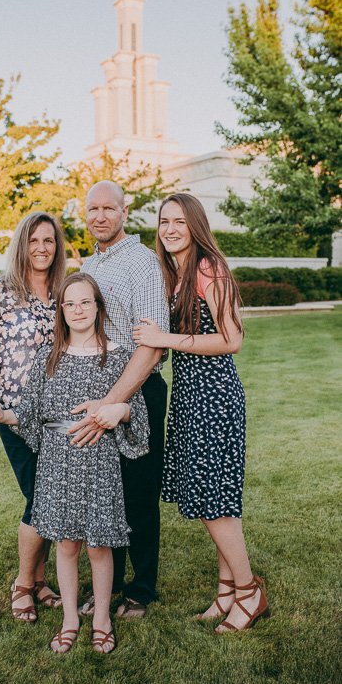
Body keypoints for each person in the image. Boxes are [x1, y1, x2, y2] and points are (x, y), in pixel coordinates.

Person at [0, 273, 150, 653]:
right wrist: (0, 412)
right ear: (61, 310)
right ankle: (71, 617)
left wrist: (119, 409)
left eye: (85, 302)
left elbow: (136, 416)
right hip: (57, 463)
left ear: (97, 307)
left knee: (98, 547)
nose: (77, 309)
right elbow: (28, 415)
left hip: (99, 460)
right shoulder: (48, 357)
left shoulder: (117, 356)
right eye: (69, 303)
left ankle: (103, 618)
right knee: (67, 545)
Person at [132, 193, 269, 633]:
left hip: (215, 397)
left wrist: (166, 339)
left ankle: (248, 592)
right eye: (163, 221)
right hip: (190, 398)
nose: (170, 229)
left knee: (214, 502)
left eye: (179, 221)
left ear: (196, 226)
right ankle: (225, 592)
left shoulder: (209, 268)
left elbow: (232, 339)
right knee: (216, 497)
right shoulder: (175, 274)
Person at [70, 180, 170, 618]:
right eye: (93, 209)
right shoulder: (90, 263)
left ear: (124, 213)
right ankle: (106, 587)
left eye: (109, 208)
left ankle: (141, 589)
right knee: (104, 493)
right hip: (97, 388)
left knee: (138, 492)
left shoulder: (143, 263)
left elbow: (152, 347)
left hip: (137, 387)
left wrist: (113, 399)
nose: (100, 216)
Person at [0, 211, 66, 623]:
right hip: (13, 412)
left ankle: (40, 582)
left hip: (58, 413)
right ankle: (24, 584)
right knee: (41, 496)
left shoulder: (66, 292)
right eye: (34, 240)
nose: (42, 248)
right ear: (21, 244)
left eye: (49, 240)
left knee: (47, 495)